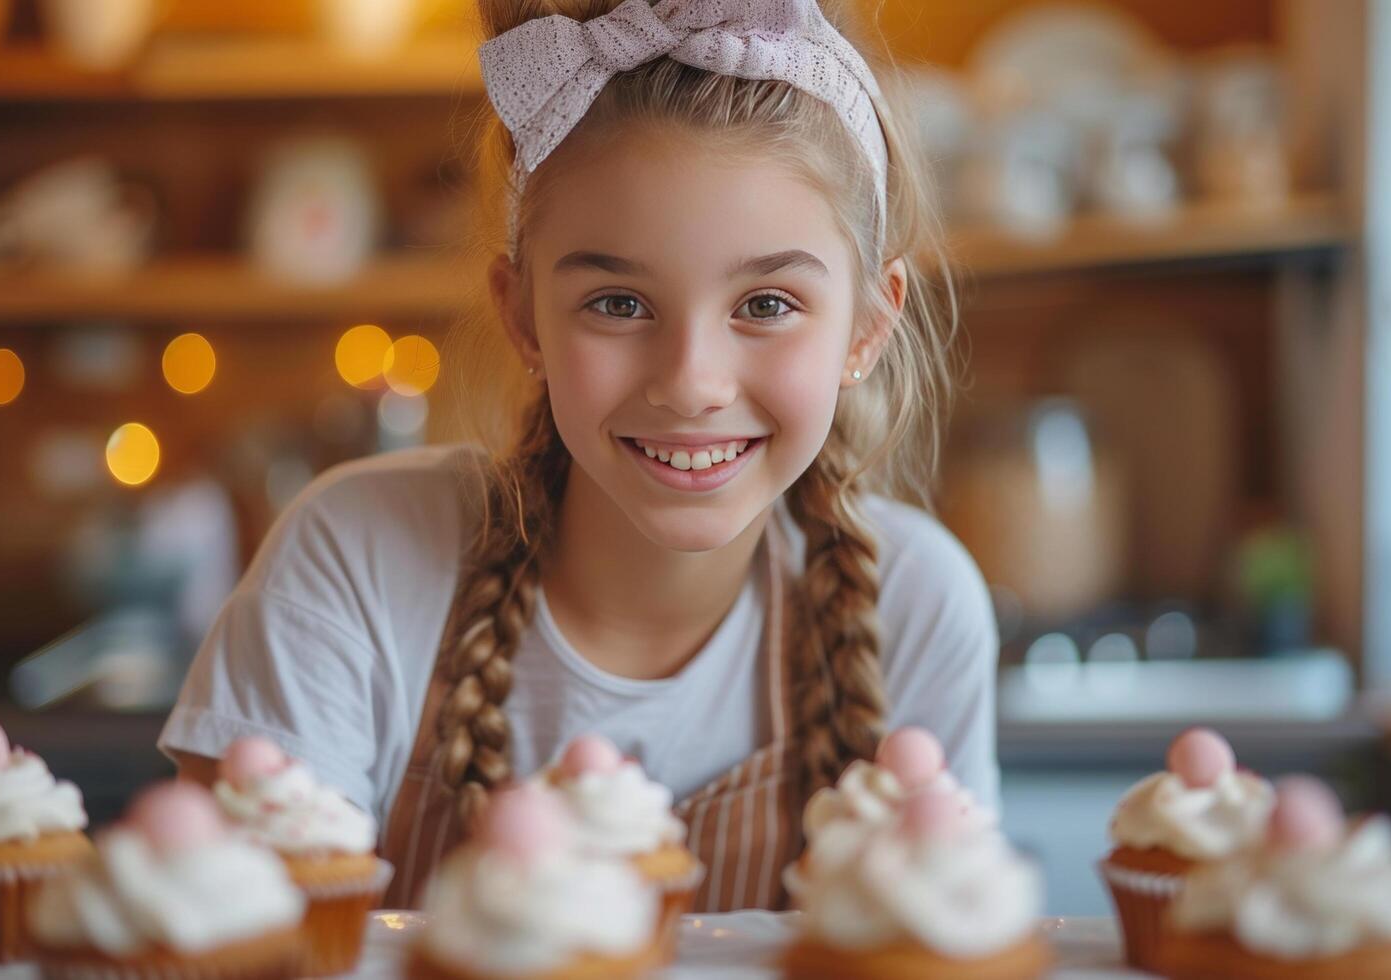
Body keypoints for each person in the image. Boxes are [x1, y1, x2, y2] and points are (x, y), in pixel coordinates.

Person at [161, 0, 998, 912]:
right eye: (617, 303)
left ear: (868, 326)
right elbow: (235, 943)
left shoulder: (916, 605)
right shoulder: (355, 556)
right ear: (522, 314)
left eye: (765, 304)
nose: (690, 383)